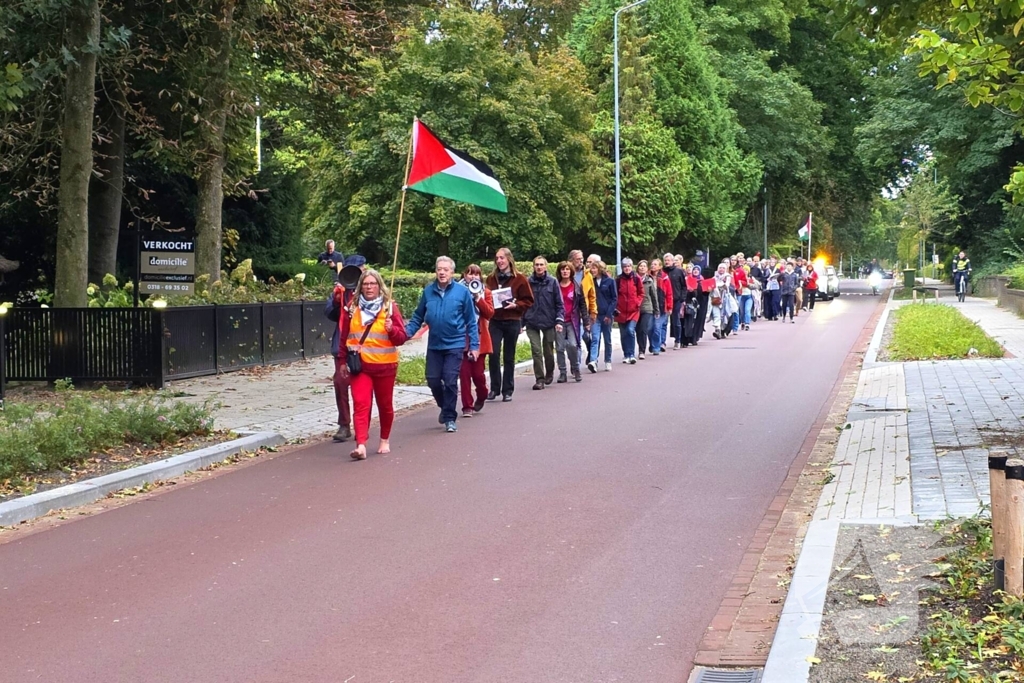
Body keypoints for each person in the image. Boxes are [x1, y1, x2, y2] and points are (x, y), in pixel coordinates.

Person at [336, 269, 408, 460]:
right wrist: (342, 361)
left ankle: (384, 439)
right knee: (361, 404)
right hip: (360, 366)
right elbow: (344, 336)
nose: (369, 287)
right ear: (361, 286)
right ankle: (361, 444)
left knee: (385, 405)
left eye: (372, 284)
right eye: (366, 284)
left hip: (385, 366)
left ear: (379, 286)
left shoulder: (390, 307)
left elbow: (401, 338)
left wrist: (392, 330)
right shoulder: (352, 308)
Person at [405, 256, 479, 433]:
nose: (442, 272)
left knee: (451, 380)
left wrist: (474, 346)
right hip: (435, 345)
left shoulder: (462, 292)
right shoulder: (428, 292)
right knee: (432, 380)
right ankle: (445, 406)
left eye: (446, 269)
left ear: (452, 272)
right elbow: (417, 316)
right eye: (439, 269)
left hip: (455, 343)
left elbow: (471, 321)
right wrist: (405, 333)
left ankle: (449, 418)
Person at [322, 255, 368, 442]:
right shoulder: (341, 290)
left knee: (362, 386)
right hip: (342, 345)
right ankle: (344, 424)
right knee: (341, 383)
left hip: (364, 346)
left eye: (362, 269)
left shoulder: (369, 290)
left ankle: (361, 424)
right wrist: (335, 300)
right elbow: (329, 314)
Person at [484, 248, 534, 402]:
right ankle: (494, 388)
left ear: (509, 260)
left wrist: (516, 305)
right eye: (497, 258)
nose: (499, 261)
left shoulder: (519, 279)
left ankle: (508, 390)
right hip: (496, 321)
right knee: (493, 354)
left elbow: (529, 300)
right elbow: (485, 297)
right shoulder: (492, 279)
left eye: (502, 258)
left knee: (509, 356)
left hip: (512, 320)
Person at [523, 257, 565, 390]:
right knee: (536, 350)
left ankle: (549, 372)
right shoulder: (528, 282)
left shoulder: (552, 282)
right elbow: (523, 303)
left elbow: (559, 303)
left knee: (548, 350)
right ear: (533, 266)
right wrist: (521, 322)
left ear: (546, 267)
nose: (539, 267)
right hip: (532, 321)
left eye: (541, 265)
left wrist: (559, 320)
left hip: (549, 321)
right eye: (536, 265)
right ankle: (539, 379)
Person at [459, 264, 493, 418]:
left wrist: (478, 298)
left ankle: (482, 393)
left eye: (476, 274)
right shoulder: (457, 291)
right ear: (464, 275)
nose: (473, 277)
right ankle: (467, 406)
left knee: (478, 374)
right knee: (464, 374)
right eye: (469, 273)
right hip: (461, 338)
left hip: (479, 339)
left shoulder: (485, 292)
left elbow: (489, 313)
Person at [555, 261, 589, 382]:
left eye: (567, 269)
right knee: (559, 348)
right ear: (559, 272)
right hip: (558, 322)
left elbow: (582, 305)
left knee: (573, 345)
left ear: (571, 271)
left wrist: (586, 321)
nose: (565, 271)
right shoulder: (556, 286)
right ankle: (562, 372)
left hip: (572, 321)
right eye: (562, 269)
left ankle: (575, 368)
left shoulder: (576, 286)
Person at [587, 260, 617, 372]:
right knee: (595, 338)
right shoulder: (591, 282)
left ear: (600, 269)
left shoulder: (609, 281)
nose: (592, 270)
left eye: (594, 268)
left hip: (606, 315)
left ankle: (608, 360)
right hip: (595, 315)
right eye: (591, 268)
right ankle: (593, 361)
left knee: (607, 339)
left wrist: (609, 314)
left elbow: (614, 299)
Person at [569, 250, 598, 360]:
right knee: (577, 339)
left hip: (583, 311)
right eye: (578, 259)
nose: (581, 261)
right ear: (571, 260)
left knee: (585, 336)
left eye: (582, 259)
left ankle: (590, 350)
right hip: (570, 311)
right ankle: (576, 366)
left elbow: (592, 295)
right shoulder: (566, 272)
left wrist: (593, 311)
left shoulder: (587, 275)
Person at [615, 258, 644, 364]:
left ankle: (631, 354)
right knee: (623, 334)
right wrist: (616, 306)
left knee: (630, 331)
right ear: (622, 268)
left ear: (632, 267)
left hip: (633, 311)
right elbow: (615, 295)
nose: (627, 268)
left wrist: (638, 302)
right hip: (621, 312)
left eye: (629, 266)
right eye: (625, 267)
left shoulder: (636, 278)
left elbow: (641, 293)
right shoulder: (618, 280)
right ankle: (626, 354)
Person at [636, 260, 658, 359]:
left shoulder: (649, 280)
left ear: (647, 269)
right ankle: (639, 346)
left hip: (647, 308)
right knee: (637, 330)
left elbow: (654, 296)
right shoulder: (634, 279)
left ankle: (642, 351)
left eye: (644, 266)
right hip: (635, 308)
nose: (642, 268)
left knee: (643, 329)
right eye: (641, 266)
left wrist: (656, 310)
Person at [650, 258, 672, 355]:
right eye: (652, 264)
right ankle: (653, 344)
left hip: (661, 306)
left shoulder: (664, 277)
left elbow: (669, 293)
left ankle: (656, 347)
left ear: (660, 267)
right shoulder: (648, 276)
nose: (653, 266)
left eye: (655, 264)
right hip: (650, 306)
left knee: (657, 327)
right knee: (649, 328)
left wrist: (670, 307)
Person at [663, 253, 686, 349]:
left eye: (669, 260)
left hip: (676, 299)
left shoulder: (679, 271)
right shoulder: (662, 272)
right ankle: (662, 342)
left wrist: (682, 298)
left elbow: (684, 286)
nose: (667, 262)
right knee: (663, 321)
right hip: (663, 299)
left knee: (676, 320)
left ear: (673, 261)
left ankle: (678, 340)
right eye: (665, 260)